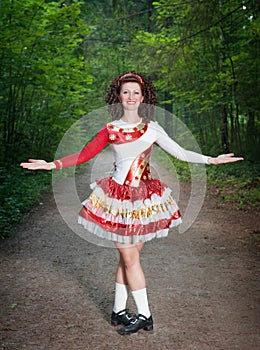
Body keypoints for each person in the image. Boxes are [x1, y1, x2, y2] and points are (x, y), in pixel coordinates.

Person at [20, 72, 243, 335]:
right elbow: (83, 155)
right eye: (126, 92)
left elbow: (181, 153)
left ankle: (137, 314)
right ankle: (127, 312)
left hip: (144, 199)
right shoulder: (110, 129)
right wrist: (51, 164)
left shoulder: (153, 129)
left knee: (129, 257)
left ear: (143, 97)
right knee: (128, 256)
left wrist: (211, 160)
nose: (131, 97)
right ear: (118, 96)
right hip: (115, 199)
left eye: (136, 92)